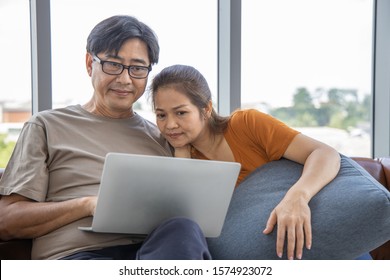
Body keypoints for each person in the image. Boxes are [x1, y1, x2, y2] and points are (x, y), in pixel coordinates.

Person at [0, 16, 211, 260]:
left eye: (138, 68)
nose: (125, 79)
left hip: (151, 255)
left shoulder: (162, 137)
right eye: (113, 64)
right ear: (90, 63)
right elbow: (7, 220)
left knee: (183, 229)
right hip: (78, 256)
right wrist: (87, 205)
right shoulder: (46, 126)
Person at [149, 64, 342, 260]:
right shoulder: (176, 154)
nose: (170, 125)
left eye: (181, 113)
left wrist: (298, 197)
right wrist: (181, 150)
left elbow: (325, 154)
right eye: (161, 115)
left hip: (316, 240)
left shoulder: (246, 124)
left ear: (206, 109)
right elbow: (189, 229)